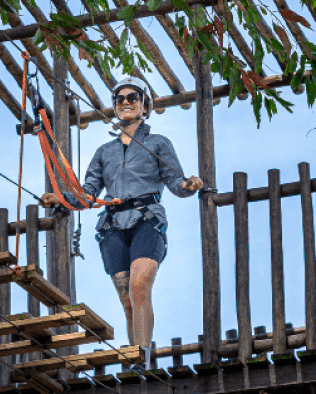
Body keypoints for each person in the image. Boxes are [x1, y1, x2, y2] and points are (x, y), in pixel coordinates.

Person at [40, 75, 203, 369]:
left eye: (133, 97)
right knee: (127, 298)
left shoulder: (158, 143)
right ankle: (135, 360)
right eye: (120, 99)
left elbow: (175, 181)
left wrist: (188, 185)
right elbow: (88, 193)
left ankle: (142, 357)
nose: (126, 102)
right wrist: (62, 199)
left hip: (147, 220)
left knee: (140, 287)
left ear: (144, 106)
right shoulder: (105, 152)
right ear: (115, 107)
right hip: (113, 226)